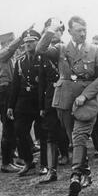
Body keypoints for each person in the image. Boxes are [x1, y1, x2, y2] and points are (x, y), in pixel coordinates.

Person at [36, 16, 98, 196]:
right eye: (78, 30)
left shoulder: (95, 50)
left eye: (85, 29)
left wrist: (85, 95)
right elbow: (40, 48)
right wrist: (50, 29)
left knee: (79, 136)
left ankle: (75, 175)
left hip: (87, 99)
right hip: (66, 100)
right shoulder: (61, 49)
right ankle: (87, 173)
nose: (83, 33)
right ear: (69, 32)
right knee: (74, 139)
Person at [7, 29, 47, 176]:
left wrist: (44, 104)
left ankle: (45, 164)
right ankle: (28, 161)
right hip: (23, 102)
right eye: (26, 42)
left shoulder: (43, 58)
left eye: (31, 41)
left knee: (42, 133)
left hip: (39, 100)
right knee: (20, 131)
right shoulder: (19, 62)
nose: (28, 44)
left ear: (38, 42)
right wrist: (11, 106)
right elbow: (15, 86)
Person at [38, 19, 70, 183]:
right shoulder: (45, 53)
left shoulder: (68, 48)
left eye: (58, 30)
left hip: (68, 94)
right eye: (52, 30)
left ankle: (78, 169)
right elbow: (42, 81)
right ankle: (52, 171)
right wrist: (42, 104)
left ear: (63, 32)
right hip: (51, 96)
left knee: (72, 132)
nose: (56, 32)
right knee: (51, 134)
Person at [0, 32, 26, 173]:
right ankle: (6, 163)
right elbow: (11, 49)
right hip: (5, 92)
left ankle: (10, 160)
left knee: (11, 128)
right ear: (5, 43)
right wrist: (20, 38)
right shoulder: (1, 55)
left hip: (10, 91)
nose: (14, 44)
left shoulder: (9, 58)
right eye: (11, 41)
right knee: (8, 128)